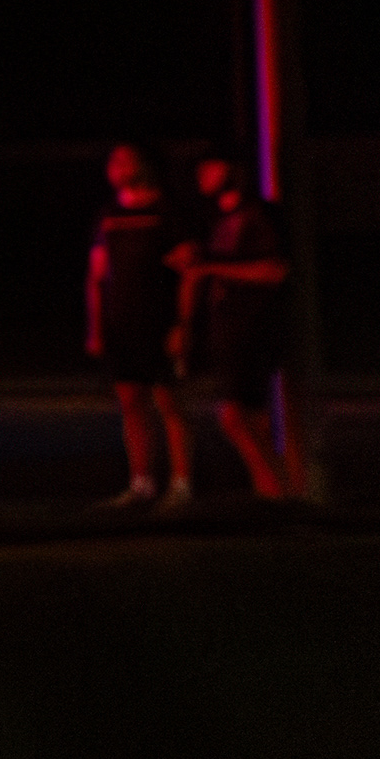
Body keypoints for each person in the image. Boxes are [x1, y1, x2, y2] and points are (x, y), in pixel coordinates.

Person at [174, 153, 293, 501]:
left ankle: (279, 492)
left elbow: (274, 270)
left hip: (252, 327)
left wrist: (212, 268)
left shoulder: (257, 215)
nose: (202, 174)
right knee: (253, 418)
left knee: (233, 415)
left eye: (211, 165)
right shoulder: (219, 219)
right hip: (226, 329)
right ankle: (271, 495)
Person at [87, 142, 192, 510]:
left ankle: (181, 483)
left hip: (159, 324)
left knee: (169, 404)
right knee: (131, 402)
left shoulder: (167, 213)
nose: (115, 166)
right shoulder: (109, 214)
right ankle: (141, 483)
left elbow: (189, 273)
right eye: (112, 160)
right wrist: (96, 328)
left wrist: (183, 324)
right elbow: (97, 275)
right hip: (121, 325)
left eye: (124, 159)